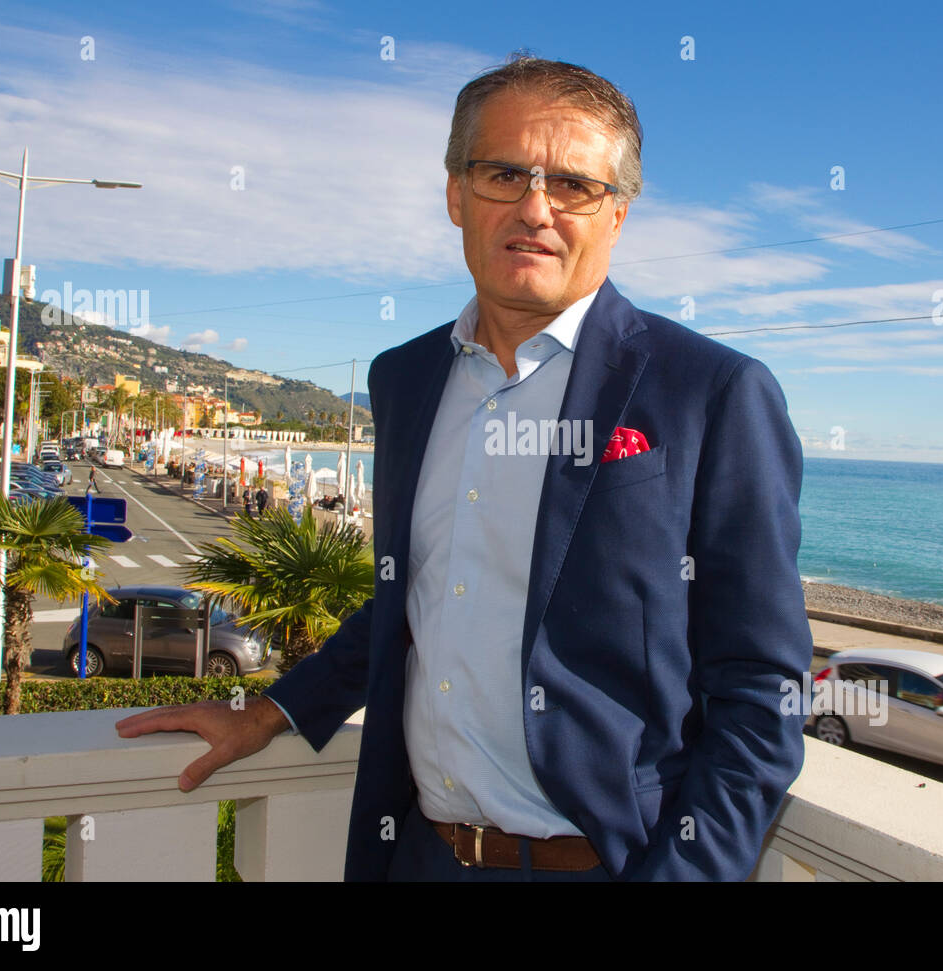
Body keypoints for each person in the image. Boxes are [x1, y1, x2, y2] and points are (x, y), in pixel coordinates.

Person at [118, 56, 811, 882]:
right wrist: (272, 709)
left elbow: (764, 692)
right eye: (503, 173)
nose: (535, 208)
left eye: (574, 185)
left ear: (617, 214)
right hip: (419, 854)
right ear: (455, 193)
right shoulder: (405, 380)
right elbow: (411, 597)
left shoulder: (712, 392)